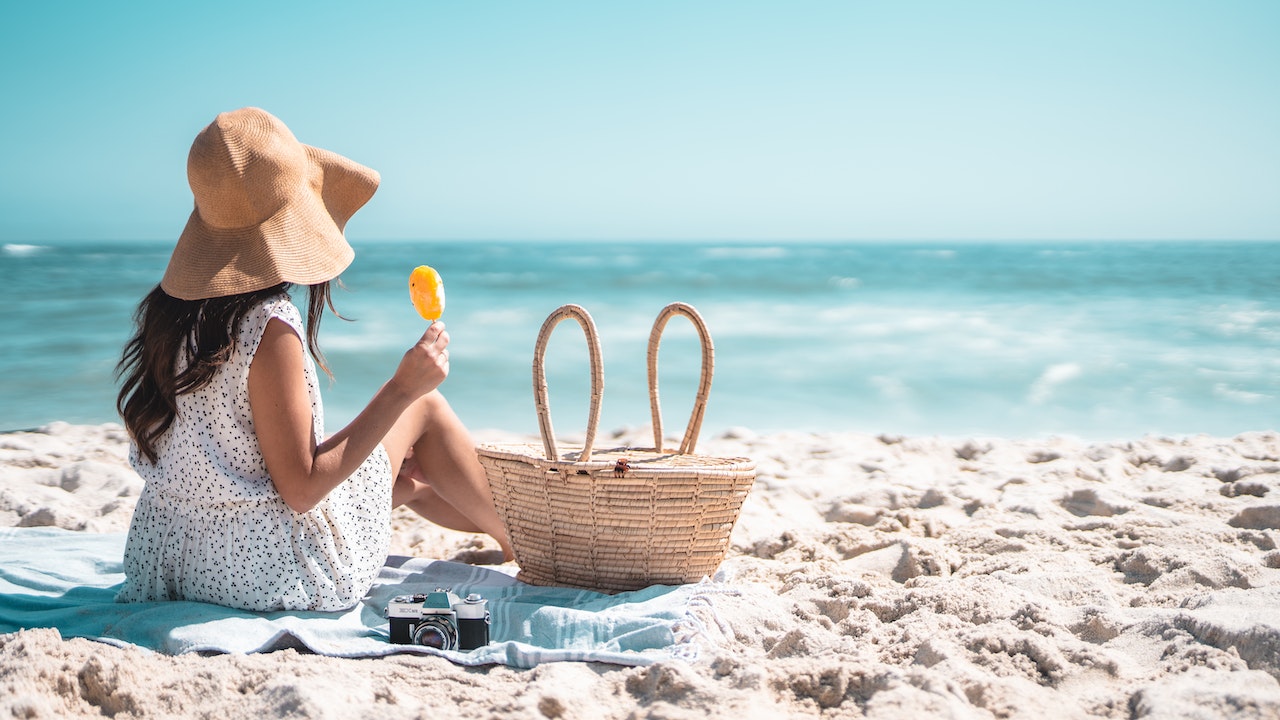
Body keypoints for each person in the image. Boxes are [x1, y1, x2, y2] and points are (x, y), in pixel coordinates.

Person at [114, 107, 513, 612]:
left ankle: (414, 494)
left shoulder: (168, 311)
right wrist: (403, 388)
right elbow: (300, 491)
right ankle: (521, 541)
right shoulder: (267, 324)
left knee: (406, 477)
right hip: (260, 571)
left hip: (168, 561)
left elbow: (242, 461)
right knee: (423, 409)